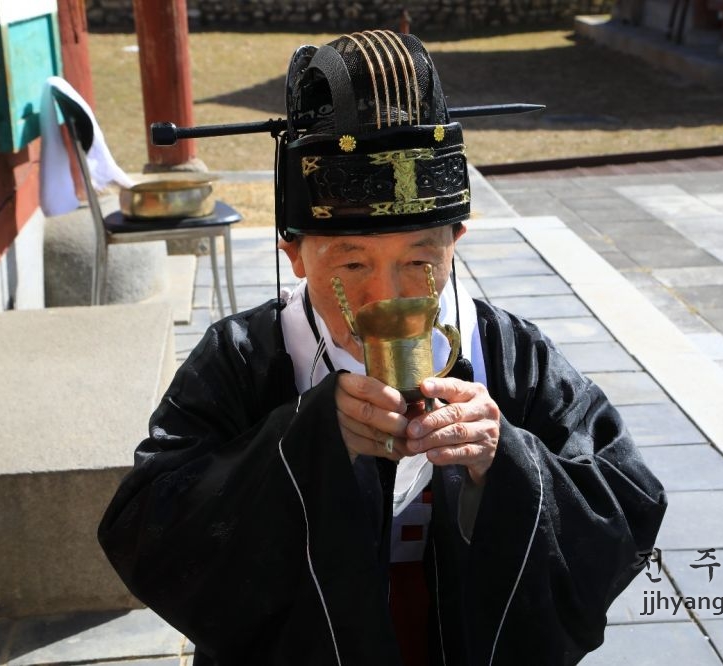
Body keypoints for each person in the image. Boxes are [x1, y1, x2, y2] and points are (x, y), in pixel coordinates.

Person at [98, 30, 666, 666]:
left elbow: (627, 499)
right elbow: (147, 526)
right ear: (294, 253)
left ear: (458, 238)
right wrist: (300, 441)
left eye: (420, 258)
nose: (385, 295)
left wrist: (505, 459)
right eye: (351, 263)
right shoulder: (243, 356)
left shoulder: (509, 351)